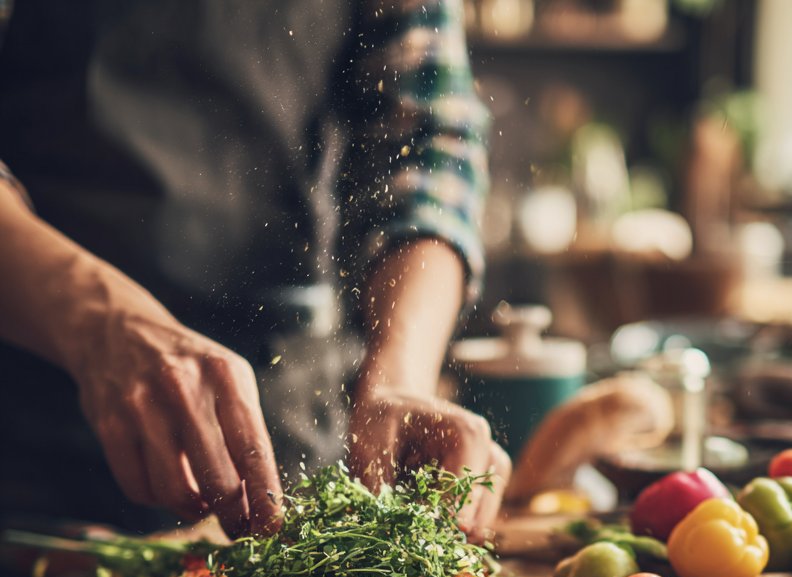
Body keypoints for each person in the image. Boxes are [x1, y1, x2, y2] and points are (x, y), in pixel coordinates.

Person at [0, 0, 510, 543]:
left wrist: (400, 378)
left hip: (290, 407)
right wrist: (95, 322)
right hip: (30, 431)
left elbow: (429, 148)